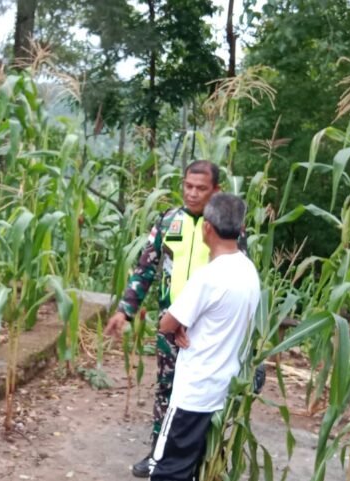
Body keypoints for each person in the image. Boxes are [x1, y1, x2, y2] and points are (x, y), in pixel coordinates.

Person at [105, 160, 241, 477]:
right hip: (171, 324)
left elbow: (236, 277)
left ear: (216, 190)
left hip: (206, 331)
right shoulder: (170, 222)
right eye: (188, 186)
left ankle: (204, 459)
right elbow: (146, 268)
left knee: (207, 397)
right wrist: (125, 309)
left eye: (201, 188)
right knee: (166, 391)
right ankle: (158, 453)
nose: (192, 194)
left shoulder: (225, 227)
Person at [152, 193, 260, 481]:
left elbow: (166, 323)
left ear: (207, 228)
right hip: (225, 389)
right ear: (240, 229)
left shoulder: (208, 277)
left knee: (168, 471)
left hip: (195, 393)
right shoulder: (249, 271)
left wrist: (177, 327)